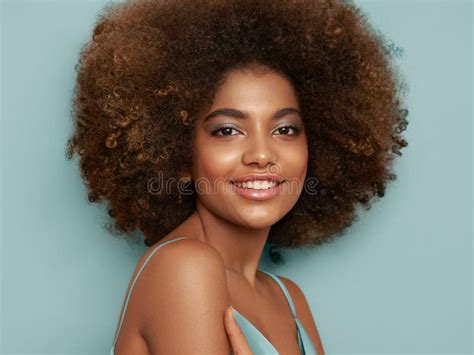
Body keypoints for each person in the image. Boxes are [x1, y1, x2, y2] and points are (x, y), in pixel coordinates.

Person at [66, 0, 408, 353]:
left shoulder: (290, 300)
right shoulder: (184, 269)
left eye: (285, 129)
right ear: (180, 155)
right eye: (228, 130)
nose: (261, 155)